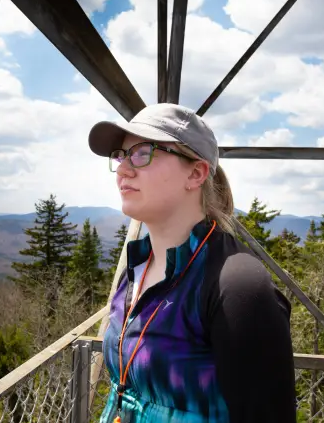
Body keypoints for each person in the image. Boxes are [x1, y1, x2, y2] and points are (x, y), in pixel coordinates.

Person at [87, 103, 296, 423]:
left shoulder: (236, 285)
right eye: (120, 155)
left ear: (195, 173)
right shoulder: (135, 270)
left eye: (142, 153)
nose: (123, 169)